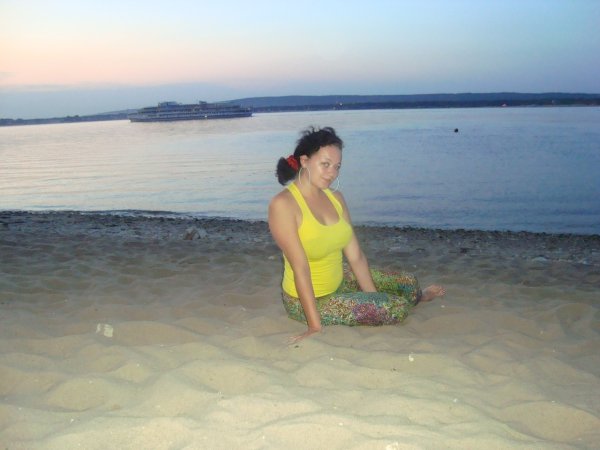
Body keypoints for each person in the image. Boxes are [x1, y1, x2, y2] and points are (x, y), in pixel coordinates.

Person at [268, 126, 445, 343]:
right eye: (325, 164)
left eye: (337, 167)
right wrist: (314, 327)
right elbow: (300, 268)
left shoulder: (336, 198)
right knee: (396, 308)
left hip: (339, 281)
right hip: (308, 301)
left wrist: (374, 299)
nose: (332, 173)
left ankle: (417, 297)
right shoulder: (283, 205)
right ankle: (404, 302)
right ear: (304, 161)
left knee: (407, 282)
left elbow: (356, 256)